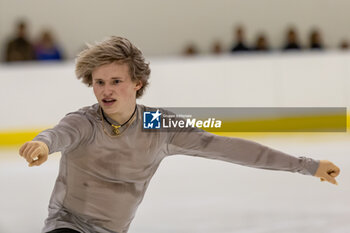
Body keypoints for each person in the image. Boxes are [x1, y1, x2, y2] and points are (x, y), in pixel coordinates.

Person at [19, 36, 340, 233]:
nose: (106, 90)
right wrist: (43, 145)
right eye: (99, 82)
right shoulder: (84, 122)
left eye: (116, 81)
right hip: (67, 224)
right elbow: (58, 134)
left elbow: (227, 148)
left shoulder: (161, 124)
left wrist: (307, 164)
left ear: (137, 84)